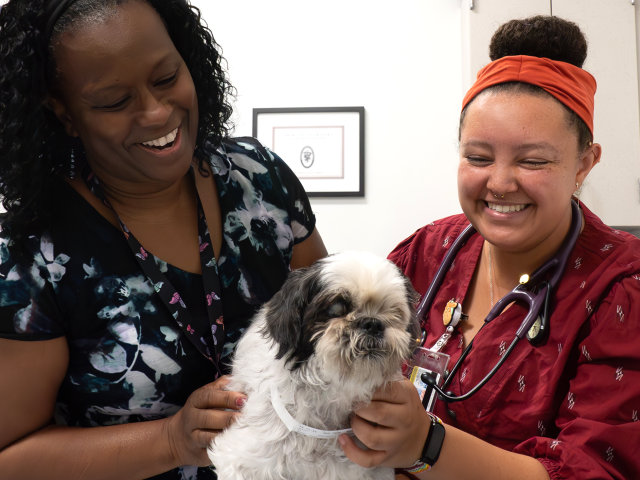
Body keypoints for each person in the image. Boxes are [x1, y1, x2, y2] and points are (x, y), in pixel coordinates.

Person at [0, 0, 327, 478]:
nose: (156, 113)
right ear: (63, 112)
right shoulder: (33, 257)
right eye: (114, 101)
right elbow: (10, 456)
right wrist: (172, 440)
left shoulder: (261, 181)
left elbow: (328, 321)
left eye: (167, 77)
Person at [338, 15, 640, 480]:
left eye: (532, 161)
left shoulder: (621, 290)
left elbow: (595, 471)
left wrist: (426, 445)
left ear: (584, 163)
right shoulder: (427, 252)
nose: (499, 183)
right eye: (478, 157)